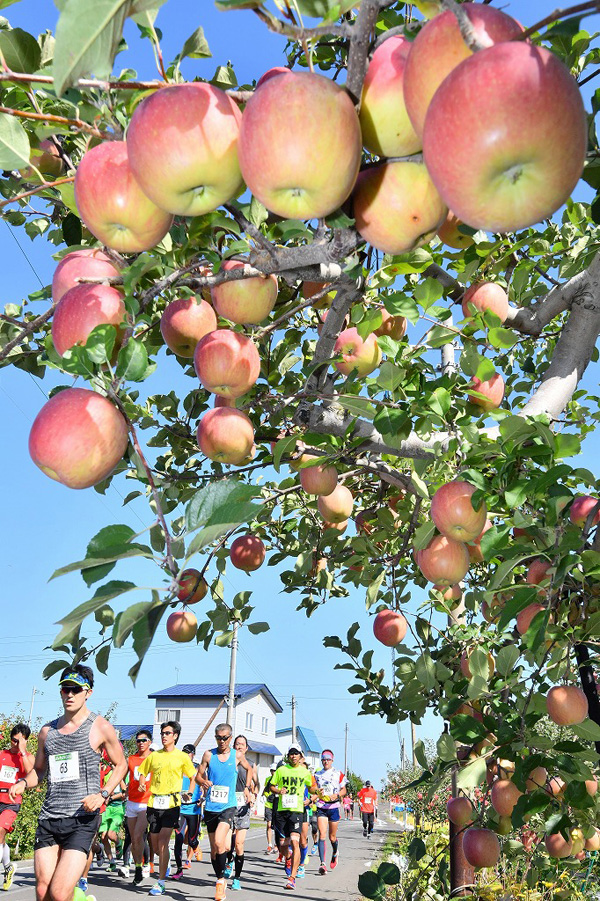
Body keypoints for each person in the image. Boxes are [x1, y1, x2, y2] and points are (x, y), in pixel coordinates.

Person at [9, 665, 127, 901]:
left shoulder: (100, 727)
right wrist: (23, 782)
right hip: (49, 817)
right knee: (43, 890)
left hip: (81, 819)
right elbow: (40, 771)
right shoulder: (47, 732)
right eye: (65, 689)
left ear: (88, 693)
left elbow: (121, 765)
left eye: (75, 689)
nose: (70, 694)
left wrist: (103, 794)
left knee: (60, 893)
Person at [137, 720, 196, 897]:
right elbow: (142, 772)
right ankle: (166, 860)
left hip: (171, 804)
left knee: (163, 842)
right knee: (154, 844)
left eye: (167, 733)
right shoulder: (154, 756)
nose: (164, 736)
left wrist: (190, 793)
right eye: (162, 733)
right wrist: (141, 783)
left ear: (175, 736)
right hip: (154, 803)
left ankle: (160, 882)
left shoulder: (182, 757)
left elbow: (193, 777)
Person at [196, 723, 254, 901]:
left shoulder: (236, 755)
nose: (221, 741)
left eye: (225, 738)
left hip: (228, 807)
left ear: (230, 738)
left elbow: (249, 769)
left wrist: (246, 788)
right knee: (214, 850)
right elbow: (198, 775)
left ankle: (220, 882)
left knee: (221, 843)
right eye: (218, 738)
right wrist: (203, 782)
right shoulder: (208, 754)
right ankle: (220, 876)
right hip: (211, 806)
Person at [269, 744, 321, 891]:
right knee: (282, 844)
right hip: (281, 811)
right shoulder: (281, 770)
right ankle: (289, 857)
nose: (293, 756)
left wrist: (315, 793)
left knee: (295, 842)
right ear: (288, 755)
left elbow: (312, 788)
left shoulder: (304, 772)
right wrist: (279, 790)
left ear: (300, 756)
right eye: (291, 753)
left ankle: (292, 878)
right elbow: (271, 786)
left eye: (296, 753)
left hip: (296, 811)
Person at [0, 723, 34, 890]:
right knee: (1, 839)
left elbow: (31, 774)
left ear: (25, 741)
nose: (15, 744)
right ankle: (8, 868)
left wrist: (23, 751)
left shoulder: (27, 757)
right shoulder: (2, 754)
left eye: (19, 741)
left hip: (12, 802)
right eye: (13, 740)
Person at [125, 728, 152, 884]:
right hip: (131, 802)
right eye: (138, 740)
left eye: (144, 740)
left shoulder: (154, 758)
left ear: (149, 742)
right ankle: (138, 868)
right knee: (134, 841)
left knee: (137, 835)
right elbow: (121, 773)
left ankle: (141, 867)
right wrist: (123, 787)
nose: (140, 743)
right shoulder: (131, 759)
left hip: (146, 803)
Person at [314, 749, 347, 875]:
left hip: (333, 807)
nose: (325, 761)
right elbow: (314, 789)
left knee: (331, 837)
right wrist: (317, 792)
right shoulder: (317, 774)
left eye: (328, 759)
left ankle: (335, 852)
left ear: (332, 760)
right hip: (322, 806)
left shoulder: (338, 774)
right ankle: (323, 864)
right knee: (322, 834)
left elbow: (344, 790)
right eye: (323, 759)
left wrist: (337, 794)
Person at [172, 744, 202, 880]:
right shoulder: (178, 768)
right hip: (180, 809)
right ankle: (179, 869)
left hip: (194, 809)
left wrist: (203, 798)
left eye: (188, 753)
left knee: (191, 839)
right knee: (178, 839)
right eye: (184, 752)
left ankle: (196, 847)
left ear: (193, 754)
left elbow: (205, 784)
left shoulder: (198, 769)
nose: (186, 755)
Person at [262, 765, 277, 853]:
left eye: (274, 770)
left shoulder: (279, 778)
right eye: (272, 770)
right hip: (268, 804)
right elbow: (265, 790)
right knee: (269, 825)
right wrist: (266, 796)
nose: (273, 772)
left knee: (276, 827)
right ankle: (269, 844)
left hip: (276, 805)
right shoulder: (268, 779)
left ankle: (276, 844)